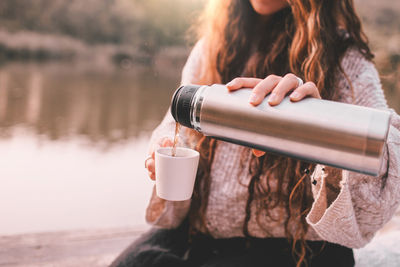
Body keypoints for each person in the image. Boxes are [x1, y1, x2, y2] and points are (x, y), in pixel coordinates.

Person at [110, 0, 400, 266]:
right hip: (200, 238)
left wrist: (321, 124)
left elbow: (390, 153)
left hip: (296, 253)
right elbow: (176, 124)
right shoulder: (215, 44)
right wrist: (161, 151)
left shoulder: (345, 58)